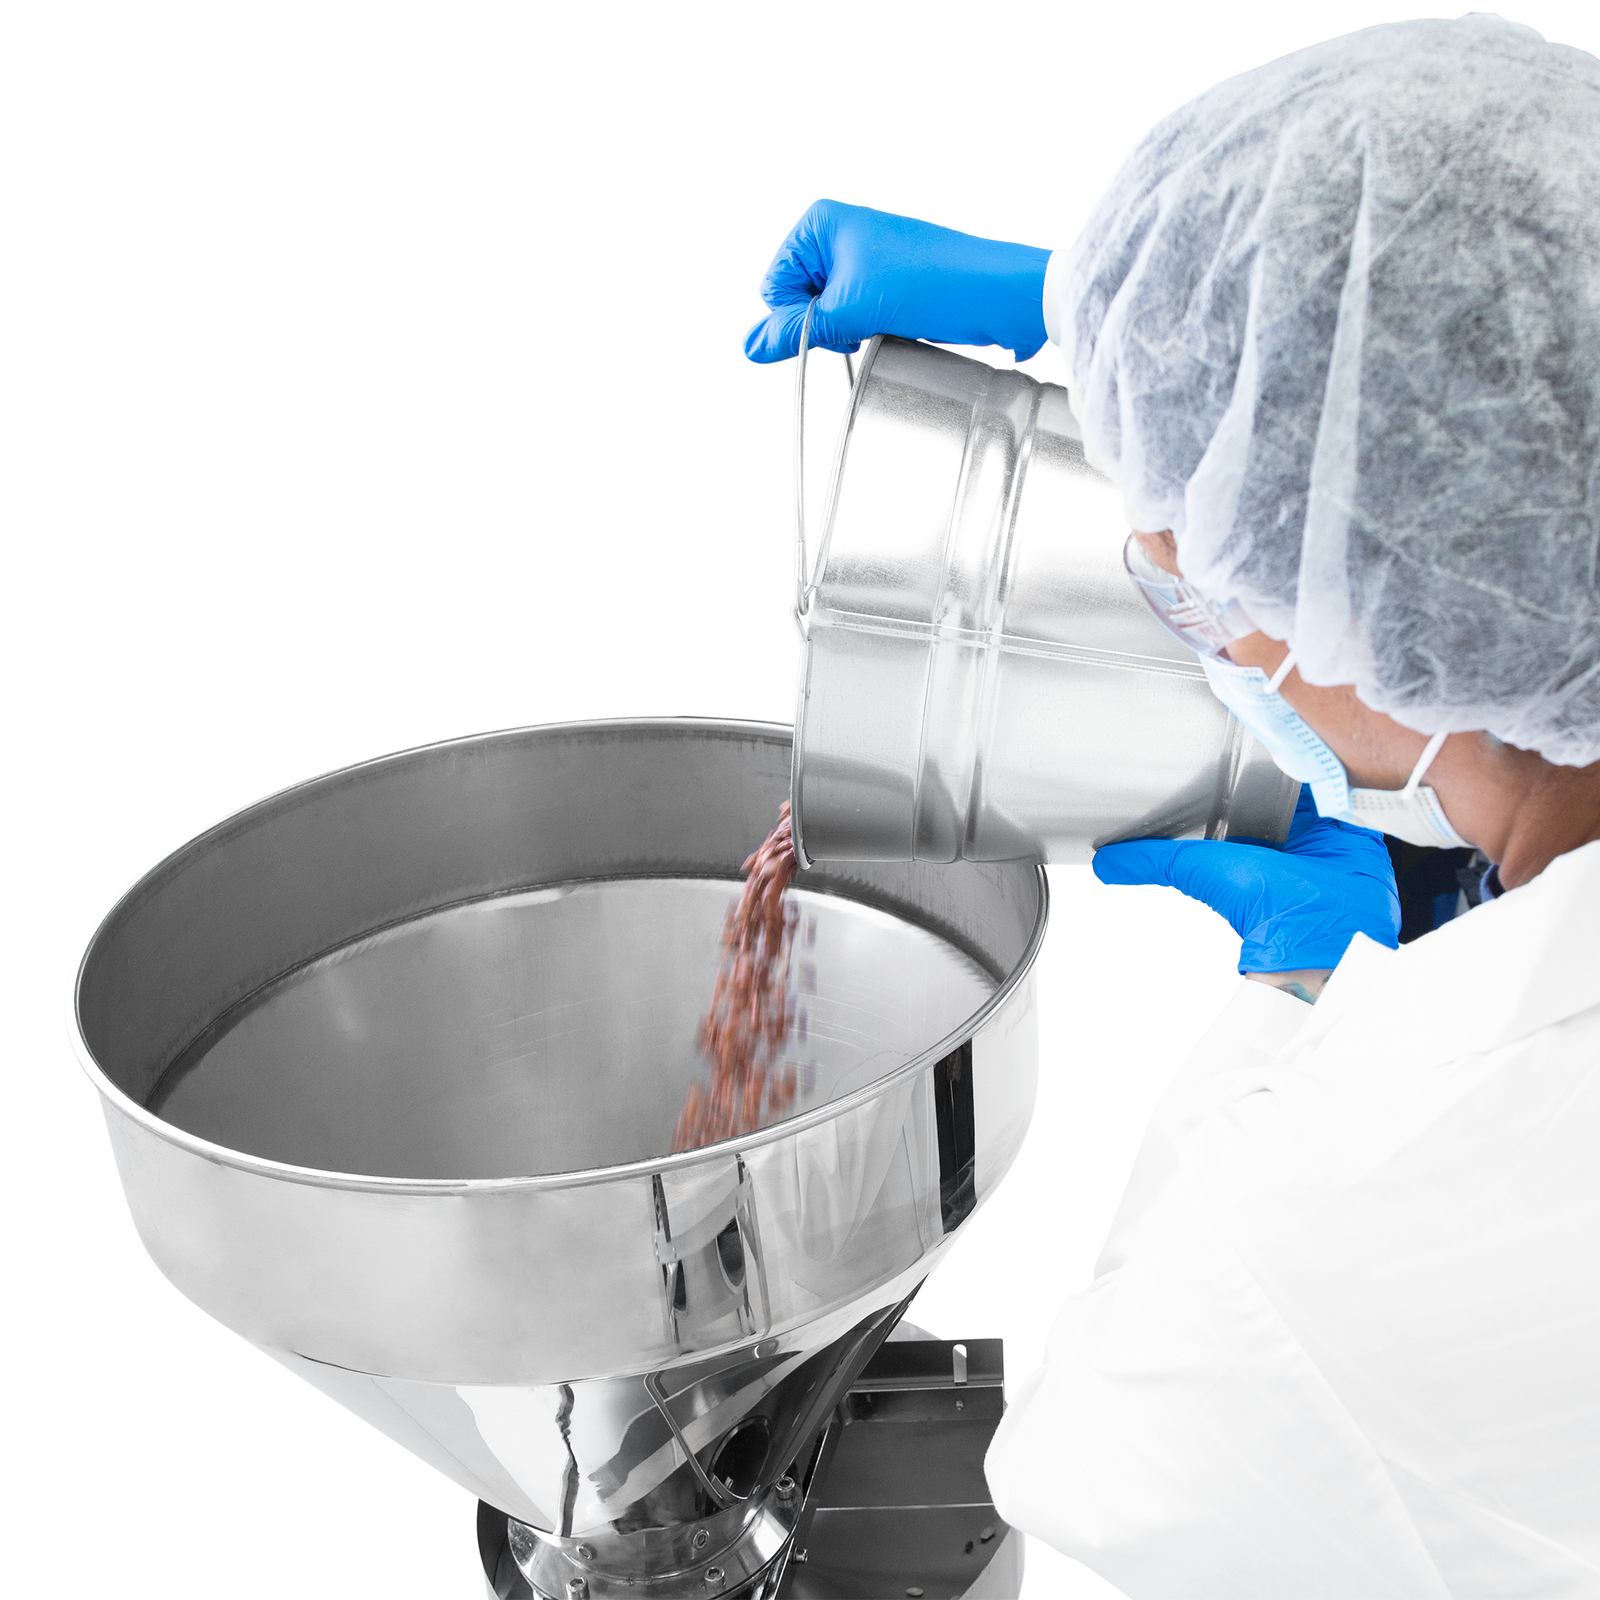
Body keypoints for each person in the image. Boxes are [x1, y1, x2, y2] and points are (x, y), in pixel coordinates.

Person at [746, 16, 1600, 1598]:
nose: (1175, 588)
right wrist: (1093, 301)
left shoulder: (1316, 1255)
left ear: (1373, 618)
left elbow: (1088, 1474)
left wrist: (1292, 1001)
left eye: (1193, 554)